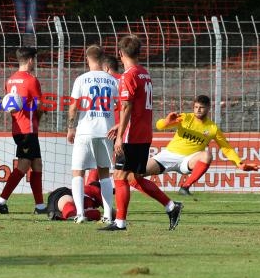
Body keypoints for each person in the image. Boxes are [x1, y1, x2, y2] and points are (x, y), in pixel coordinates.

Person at [99, 35, 183, 232]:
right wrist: (120, 124)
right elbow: (136, 108)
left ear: (120, 54)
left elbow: (127, 106)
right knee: (132, 178)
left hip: (131, 136)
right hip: (143, 134)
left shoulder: (128, 76)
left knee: (119, 175)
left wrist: (120, 135)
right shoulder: (144, 74)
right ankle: (171, 206)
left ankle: (120, 223)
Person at [145, 95, 259, 196]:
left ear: (208, 108)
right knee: (134, 174)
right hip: (168, 156)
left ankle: (185, 187)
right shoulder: (185, 118)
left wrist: (239, 164)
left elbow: (226, 148)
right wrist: (166, 121)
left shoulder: (212, 128)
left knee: (207, 155)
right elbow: (159, 126)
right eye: (196, 107)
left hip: (189, 160)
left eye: (201, 107)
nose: (198, 110)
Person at [67, 45, 118, 224]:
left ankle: (80, 214)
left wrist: (71, 128)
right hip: (106, 131)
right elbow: (121, 104)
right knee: (104, 173)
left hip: (85, 131)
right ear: (103, 58)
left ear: (86, 59)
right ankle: (107, 215)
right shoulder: (113, 81)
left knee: (78, 172)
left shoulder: (81, 79)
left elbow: (73, 106)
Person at [0, 47, 47, 214]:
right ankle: (1, 200)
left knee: (37, 164)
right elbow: (38, 106)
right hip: (28, 129)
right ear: (30, 60)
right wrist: (39, 116)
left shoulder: (10, 81)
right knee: (24, 165)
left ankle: (40, 206)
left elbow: (9, 105)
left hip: (17, 128)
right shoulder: (31, 80)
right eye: (34, 60)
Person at [87, 54, 121, 185]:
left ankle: (88, 194)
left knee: (97, 167)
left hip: (106, 130)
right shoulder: (123, 80)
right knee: (124, 173)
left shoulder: (104, 82)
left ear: (106, 68)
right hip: (124, 130)